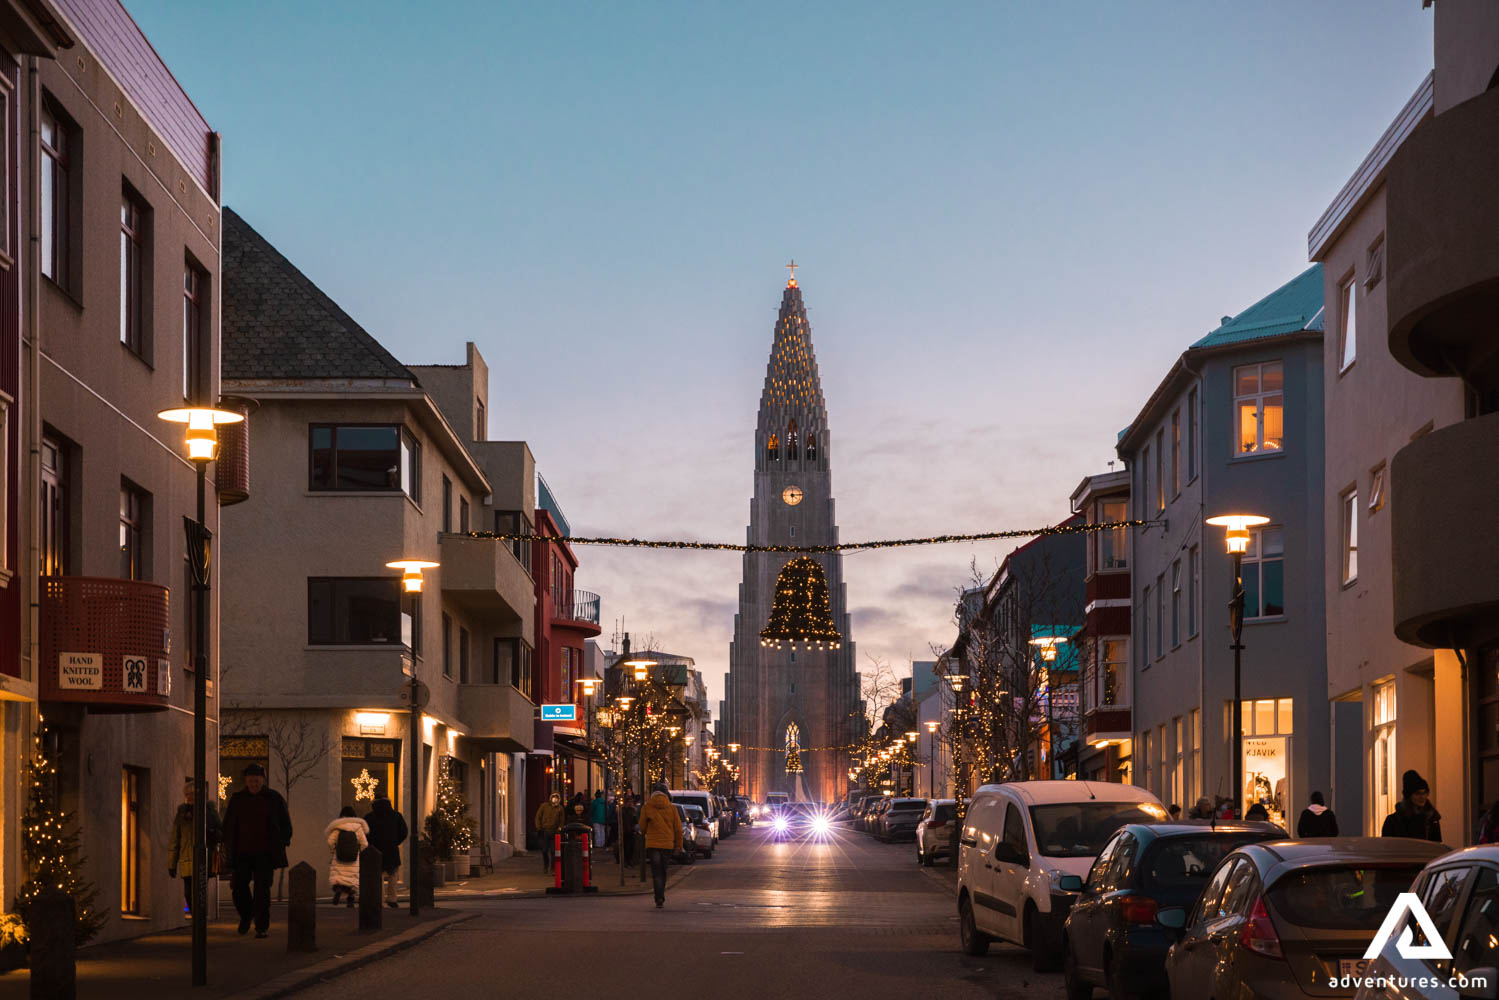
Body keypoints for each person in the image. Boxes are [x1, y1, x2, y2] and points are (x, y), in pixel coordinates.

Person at [221, 763, 293, 938]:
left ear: (263, 780)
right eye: (250, 781)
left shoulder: (274, 799)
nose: (253, 784)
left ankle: (261, 926)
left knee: (262, 891)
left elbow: (285, 824)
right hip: (242, 853)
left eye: (256, 781)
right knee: (238, 887)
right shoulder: (238, 799)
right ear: (246, 781)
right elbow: (229, 825)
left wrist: (282, 842)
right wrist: (228, 845)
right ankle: (246, 916)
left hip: (265, 854)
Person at [168, 778, 222, 917]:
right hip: (187, 859)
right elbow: (175, 838)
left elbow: (221, 833)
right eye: (187, 794)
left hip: (204, 859)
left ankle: (200, 919)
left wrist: (211, 832)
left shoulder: (209, 811)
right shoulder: (182, 814)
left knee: (200, 891)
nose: (190, 797)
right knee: (188, 892)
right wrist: (172, 864)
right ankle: (196, 918)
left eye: (192, 794)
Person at [638, 782, 683, 908]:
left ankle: (659, 898)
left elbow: (642, 827)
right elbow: (678, 829)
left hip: (653, 844)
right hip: (667, 845)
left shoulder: (647, 807)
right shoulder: (672, 808)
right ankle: (661, 895)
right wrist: (678, 845)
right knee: (663, 871)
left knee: (656, 872)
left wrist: (647, 830)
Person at [363, 794, 408, 909]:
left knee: (378, 875)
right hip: (391, 849)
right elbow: (404, 832)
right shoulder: (396, 816)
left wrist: (370, 845)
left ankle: (380, 899)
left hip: (375, 849)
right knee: (393, 874)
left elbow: (364, 834)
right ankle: (392, 899)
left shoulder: (368, 817)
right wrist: (394, 841)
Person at [1381, 770, 1443, 842]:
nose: (1422, 797)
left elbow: (1437, 847)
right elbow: (1387, 846)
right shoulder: (1393, 821)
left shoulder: (1432, 818)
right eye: (1417, 793)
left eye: (1424, 793)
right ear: (1409, 796)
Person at [326, 806, 368, 907]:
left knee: (339, 877)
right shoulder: (358, 828)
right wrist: (358, 852)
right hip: (353, 858)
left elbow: (330, 841)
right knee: (352, 879)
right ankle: (350, 900)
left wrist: (333, 850)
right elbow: (365, 844)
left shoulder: (338, 826)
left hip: (339, 856)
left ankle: (338, 889)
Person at [534, 792, 565, 873]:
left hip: (554, 832)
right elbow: (538, 817)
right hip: (544, 831)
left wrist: (559, 829)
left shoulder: (560, 808)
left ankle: (552, 868)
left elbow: (562, 821)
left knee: (553, 851)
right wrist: (539, 828)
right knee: (544, 850)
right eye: (553, 797)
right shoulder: (544, 806)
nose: (555, 799)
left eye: (556, 797)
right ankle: (546, 865)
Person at [620, 793, 638, 866]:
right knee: (625, 846)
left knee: (631, 847)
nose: (630, 803)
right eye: (629, 801)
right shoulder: (623, 810)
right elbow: (621, 819)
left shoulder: (633, 810)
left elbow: (636, 820)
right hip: (625, 830)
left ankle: (629, 860)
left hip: (631, 831)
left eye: (631, 801)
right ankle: (626, 860)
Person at [589, 790, 608, 856]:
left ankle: (598, 844)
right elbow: (607, 809)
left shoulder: (595, 802)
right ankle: (602, 843)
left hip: (596, 818)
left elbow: (592, 810)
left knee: (597, 832)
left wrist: (591, 816)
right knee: (602, 831)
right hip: (603, 819)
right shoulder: (604, 802)